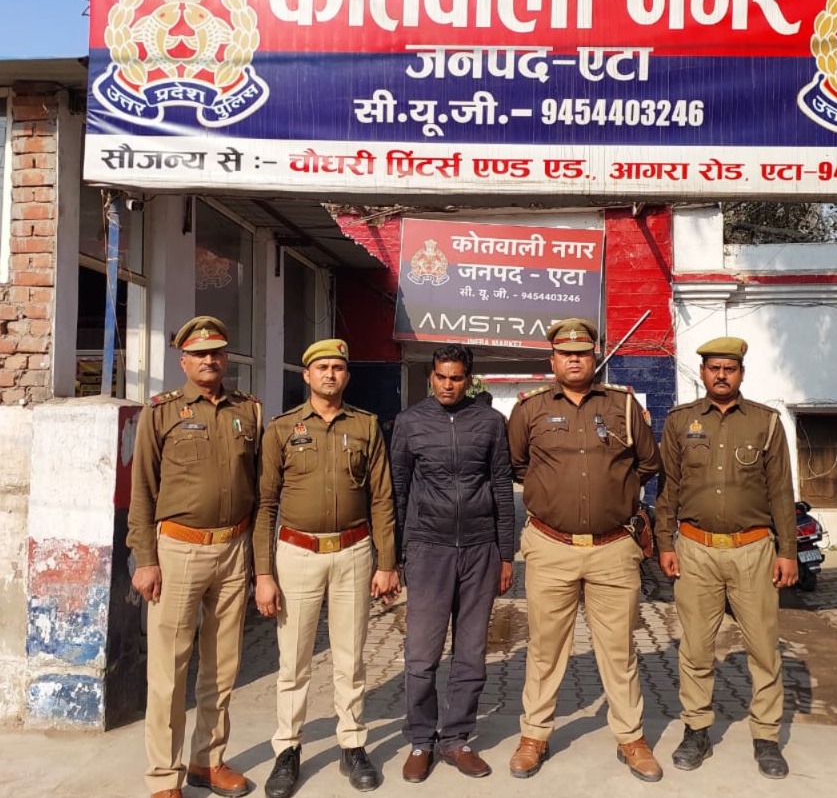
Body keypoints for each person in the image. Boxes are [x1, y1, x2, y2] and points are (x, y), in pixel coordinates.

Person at [506, 318, 663, 782]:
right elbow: (517, 465)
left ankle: (631, 737)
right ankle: (534, 735)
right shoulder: (529, 409)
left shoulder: (624, 406)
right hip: (550, 546)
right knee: (545, 648)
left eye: (582, 353)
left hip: (613, 549)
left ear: (594, 357)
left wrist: (613, 493)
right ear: (552, 359)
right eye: (565, 353)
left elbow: (648, 463)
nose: (574, 360)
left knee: (619, 649)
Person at [254, 338, 401, 797]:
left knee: (350, 658)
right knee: (294, 660)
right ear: (307, 375)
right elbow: (266, 504)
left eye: (338, 368)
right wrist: (263, 573)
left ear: (347, 376)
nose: (330, 375)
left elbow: (382, 499)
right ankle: (287, 748)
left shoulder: (365, 426)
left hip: (353, 553)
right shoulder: (282, 428)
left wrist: (387, 563)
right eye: (322, 368)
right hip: (296, 553)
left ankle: (352, 743)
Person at [128, 316, 260, 798]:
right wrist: (145, 558)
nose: (210, 360)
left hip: (234, 548)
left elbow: (260, 488)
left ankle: (208, 760)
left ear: (226, 358)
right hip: (178, 550)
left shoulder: (249, 410)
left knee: (222, 665)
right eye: (200, 354)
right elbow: (142, 491)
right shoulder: (161, 412)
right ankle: (165, 776)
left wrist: (258, 560)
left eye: (217, 352)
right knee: (169, 669)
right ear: (183, 361)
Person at [655, 337, 798, 780]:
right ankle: (696, 730)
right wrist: (664, 542)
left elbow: (781, 491)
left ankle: (766, 736)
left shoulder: (765, 423)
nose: (721, 375)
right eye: (714, 368)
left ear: (741, 373)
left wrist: (787, 551)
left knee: (763, 648)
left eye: (729, 369)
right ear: (703, 372)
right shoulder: (680, 422)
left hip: (753, 550)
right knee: (696, 648)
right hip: (695, 549)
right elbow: (668, 487)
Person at [390, 344, 516, 783]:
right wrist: (393, 557)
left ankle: (457, 738)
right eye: (441, 377)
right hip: (429, 549)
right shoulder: (409, 422)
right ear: (431, 377)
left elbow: (501, 487)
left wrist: (506, 554)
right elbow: (398, 490)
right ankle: (420, 740)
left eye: (456, 378)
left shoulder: (490, 423)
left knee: (471, 655)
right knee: (421, 656)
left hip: (480, 550)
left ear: (469, 379)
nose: (448, 385)